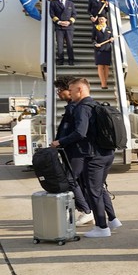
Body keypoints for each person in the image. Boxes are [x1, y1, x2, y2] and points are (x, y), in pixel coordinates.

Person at [51, 78, 121, 238]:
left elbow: (80, 133)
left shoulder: (82, 108)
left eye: (72, 89)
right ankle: (112, 221)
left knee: (93, 191)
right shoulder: (95, 105)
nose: (70, 92)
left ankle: (102, 227)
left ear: (80, 90)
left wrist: (60, 141)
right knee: (99, 188)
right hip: (106, 154)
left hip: (93, 155)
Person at [53, 76, 93, 225]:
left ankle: (86, 211)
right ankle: (89, 210)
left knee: (70, 179)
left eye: (61, 90)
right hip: (77, 150)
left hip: (77, 150)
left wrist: (60, 142)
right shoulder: (75, 106)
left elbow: (77, 132)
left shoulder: (76, 107)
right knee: (80, 181)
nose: (59, 93)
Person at [50, 0, 76, 66]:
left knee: (69, 44)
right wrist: (59, 22)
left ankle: (71, 60)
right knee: (60, 44)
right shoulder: (54, 3)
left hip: (69, 27)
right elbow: (52, 14)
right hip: (59, 27)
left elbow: (74, 14)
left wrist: (69, 22)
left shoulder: (70, 3)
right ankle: (60, 60)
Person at [92, 15, 114, 89]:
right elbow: (93, 38)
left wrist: (111, 39)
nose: (101, 20)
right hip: (99, 48)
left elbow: (111, 37)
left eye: (102, 19)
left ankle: (105, 81)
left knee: (106, 66)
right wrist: (95, 44)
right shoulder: (96, 28)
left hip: (107, 48)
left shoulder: (109, 28)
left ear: (106, 20)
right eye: (99, 19)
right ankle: (103, 83)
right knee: (100, 66)